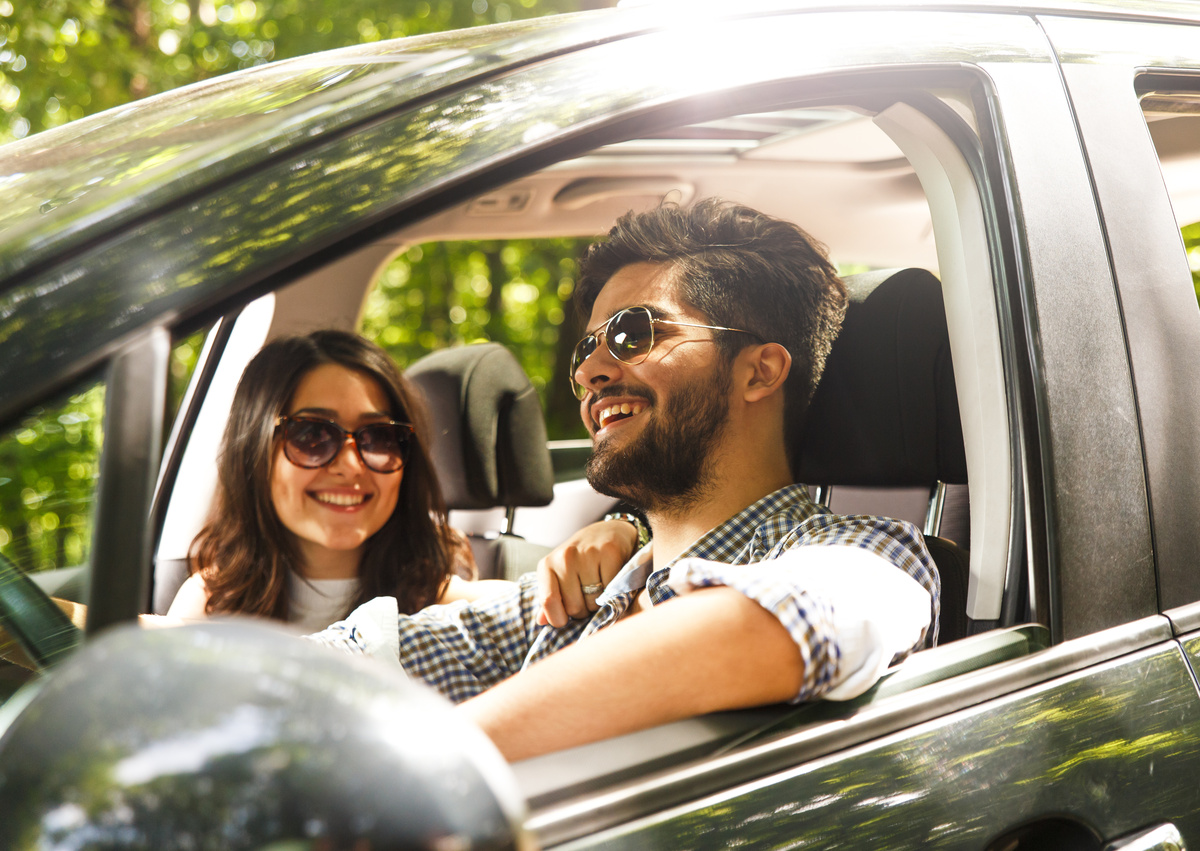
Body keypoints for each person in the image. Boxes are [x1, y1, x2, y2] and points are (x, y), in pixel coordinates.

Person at [307, 199, 939, 762]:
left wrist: (420, 769)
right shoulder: (577, 596)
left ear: (759, 372)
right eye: (587, 349)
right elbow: (344, 662)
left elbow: (783, 620)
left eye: (633, 334)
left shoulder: (870, 553)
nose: (590, 373)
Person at [167, 330, 631, 630]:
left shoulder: (445, 602)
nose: (351, 464)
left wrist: (626, 533)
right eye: (312, 435)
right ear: (254, 449)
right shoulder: (208, 606)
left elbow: (549, 607)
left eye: (379, 437)